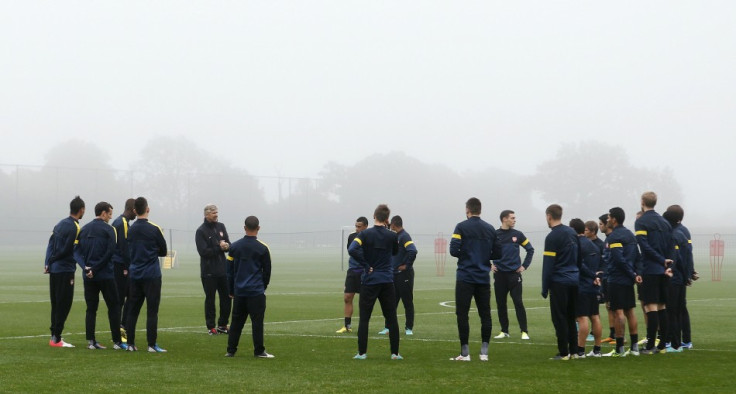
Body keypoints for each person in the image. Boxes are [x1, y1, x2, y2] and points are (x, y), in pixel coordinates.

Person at [449, 197, 501, 362]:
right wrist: (484, 255)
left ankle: (465, 353)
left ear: (467, 210)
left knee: (462, 314)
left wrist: (467, 254)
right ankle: (484, 352)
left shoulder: (461, 227)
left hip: (465, 276)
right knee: (485, 314)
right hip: (483, 278)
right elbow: (498, 253)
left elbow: (453, 250)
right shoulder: (490, 229)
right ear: (480, 210)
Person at [348, 204, 401, 360]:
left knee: (364, 318)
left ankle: (362, 353)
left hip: (370, 280)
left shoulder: (364, 234)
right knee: (391, 317)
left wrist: (365, 264)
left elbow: (352, 249)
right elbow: (395, 252)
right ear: (387, 219)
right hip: (387, 280)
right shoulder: (392, 236)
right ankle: (394, 353)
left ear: (374, 216)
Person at [75, 201, 126, 350]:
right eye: (109, 214)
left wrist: (85, 268)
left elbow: (76, 251)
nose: (110, 217)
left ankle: (91, 341)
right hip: (105, 275)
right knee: (114, 307)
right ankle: (117, 341)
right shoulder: (110, 230)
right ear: (103, 213)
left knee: (91, 308)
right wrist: (95, 269)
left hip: (88, 277)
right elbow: (110, 252)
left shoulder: (83, 229)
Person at [225, 216, 274, 358]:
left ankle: (231, 350)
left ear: (244, 228)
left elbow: (229, 271)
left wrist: (231, 290)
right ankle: (259, 351)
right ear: (258, 228)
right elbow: (267, 272)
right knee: (257, 323)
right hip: (256, 292)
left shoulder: (234, 247)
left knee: (236, 323)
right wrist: (262, 287)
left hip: (239, 292)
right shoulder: (263, 248)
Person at [634, 191, 675, 355]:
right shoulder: (665, 222)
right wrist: (668, 263)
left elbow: (644, 246)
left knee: (650, 307)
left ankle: (650, 346)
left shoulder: (641, 221)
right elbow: (671, 245)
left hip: (650, 269)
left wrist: (660, 260)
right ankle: (663, 345)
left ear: (642, 201)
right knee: (662, 306)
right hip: (663, 270)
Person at [125, 197, 168, 353]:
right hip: (151, 275)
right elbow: (163, 251)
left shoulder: (131, 229)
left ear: (135, 211)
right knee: (152, 311)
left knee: (133, 310)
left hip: (135, 274)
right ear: (147, 209)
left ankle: (130, 344)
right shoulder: (154, 228)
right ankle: (151, 345)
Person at [45, 195, 85, 348]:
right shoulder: (75, 227)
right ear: (81, 210)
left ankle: (54, 336)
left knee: (55, 303)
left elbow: (50, 244)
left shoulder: (59, 224)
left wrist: (47, 262)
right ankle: (57, 338)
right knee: (64, 303)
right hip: (65, 270)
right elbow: (70, 249)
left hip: (54, 270)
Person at [541, 204, 579, 361]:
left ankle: (563, 353)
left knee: (559, 317)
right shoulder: (572, 232)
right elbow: (580, 257)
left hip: (559, 281)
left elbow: (548, 264)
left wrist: (545, 287)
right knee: (571, 317)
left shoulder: (552, 237)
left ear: (549, 216)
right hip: (574, 280)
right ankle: (575, 351)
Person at [492, 210, 534, 340]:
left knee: (518, 302)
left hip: (514, 275)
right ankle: (504, 331)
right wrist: (489, 265)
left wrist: (524, 266)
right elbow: (484, 250)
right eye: (512, 218)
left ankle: (524, 331)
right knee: (501, 304)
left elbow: (530, 249)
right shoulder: (494, 234)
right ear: (504, 219)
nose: (515, 220)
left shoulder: (518, 234)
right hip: (499, 275)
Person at [604, 207, 640, 357]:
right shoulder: (630, 235)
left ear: (614, 219)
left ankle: (620, 348)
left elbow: (619, 260)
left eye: (608, 217)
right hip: (628, 279)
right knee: (630, 311)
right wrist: (636, 274)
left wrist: (631, 274)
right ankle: (635, 347)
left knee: (618, 312)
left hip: (617, 278)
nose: (607, 220)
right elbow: (637, 256)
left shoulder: (614, 237)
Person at [195, 204, 232, 335]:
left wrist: (226, 246)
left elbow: (229, 244)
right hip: (209, 272)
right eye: (213, 213)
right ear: (206, 215)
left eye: (217, 212)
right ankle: (211, 327)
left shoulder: (221, 226)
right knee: (210, 299)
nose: (216, 215)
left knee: (227, 298)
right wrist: (219, 248)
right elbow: (203, 252)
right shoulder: (201, 231)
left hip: (223, 270)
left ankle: (223, 324)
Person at [378, 215, 418, 336]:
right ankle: (388, 327)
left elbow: (413, 250)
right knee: (391, 302)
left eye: (391, 225)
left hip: (404, 275)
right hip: (393, 274)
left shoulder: (404, 236)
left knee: (407, 302)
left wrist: (407, 265)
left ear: (394, 225)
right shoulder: (395, 236)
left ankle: (409, 328)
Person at [569, 218, 602, 358]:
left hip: (582, 284)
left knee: (582, 317)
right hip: (594, 285)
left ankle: (580, 350)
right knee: (594, 316)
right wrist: (597, 276)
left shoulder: (577, 244)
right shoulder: (593, 245)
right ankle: (597, 349)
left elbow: (579, 264)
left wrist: (591, 275)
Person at [663, 205, 690, 353]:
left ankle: (674, 344)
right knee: (678, 311)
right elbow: (687, 257)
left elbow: (676, 257)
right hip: (681, 278)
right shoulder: (682, 234)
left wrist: (671, 270)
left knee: (671, 311)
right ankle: (678, 342)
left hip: (673, 278)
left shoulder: (673, 236)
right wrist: (687, 275)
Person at [336, 216, 368, 333]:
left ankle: (365, 326)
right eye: (356, 226)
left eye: (359, 226)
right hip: (353, 270)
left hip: (365, 271)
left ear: (365, 226)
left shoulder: (369, 237)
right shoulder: (351, 237)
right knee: (347, 297)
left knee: (365, 300)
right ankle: (347, 326)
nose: (357, 228)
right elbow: (351, 252)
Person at [111, 198, 136, 343]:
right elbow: (124, 248)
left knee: (127, 297)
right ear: (132, 210)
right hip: (121, 266)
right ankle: (120, 330)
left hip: (118, 265)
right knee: (123, 299)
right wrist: (130, 266)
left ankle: (121, 328)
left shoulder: (118, 221)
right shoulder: (123, 223)